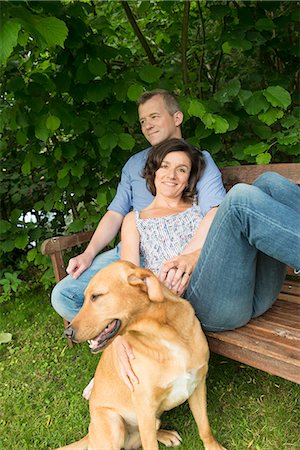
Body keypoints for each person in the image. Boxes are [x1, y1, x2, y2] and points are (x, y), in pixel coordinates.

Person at [51, 89, 226, 321]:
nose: (147, 125)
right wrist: (89, 253)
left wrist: (186, 256)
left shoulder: (197, 161)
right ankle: (123, 336)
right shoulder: (134, 164)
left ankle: (144, 331)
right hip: (129, 252)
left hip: (175, 248)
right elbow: (115, 213)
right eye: (143, 121)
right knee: (64, 295)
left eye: (154, 116)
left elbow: (215, 211)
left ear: (177, 118)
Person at [121, 138, 210, 296]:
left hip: (210, 284)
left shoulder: (200, 207)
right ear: (154, 171)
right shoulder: (135, 220)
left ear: (189, 178)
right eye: (164, 166)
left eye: (181, 170)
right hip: (170, 297)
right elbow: (131, 278)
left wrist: (194, 256)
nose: (172, 176)